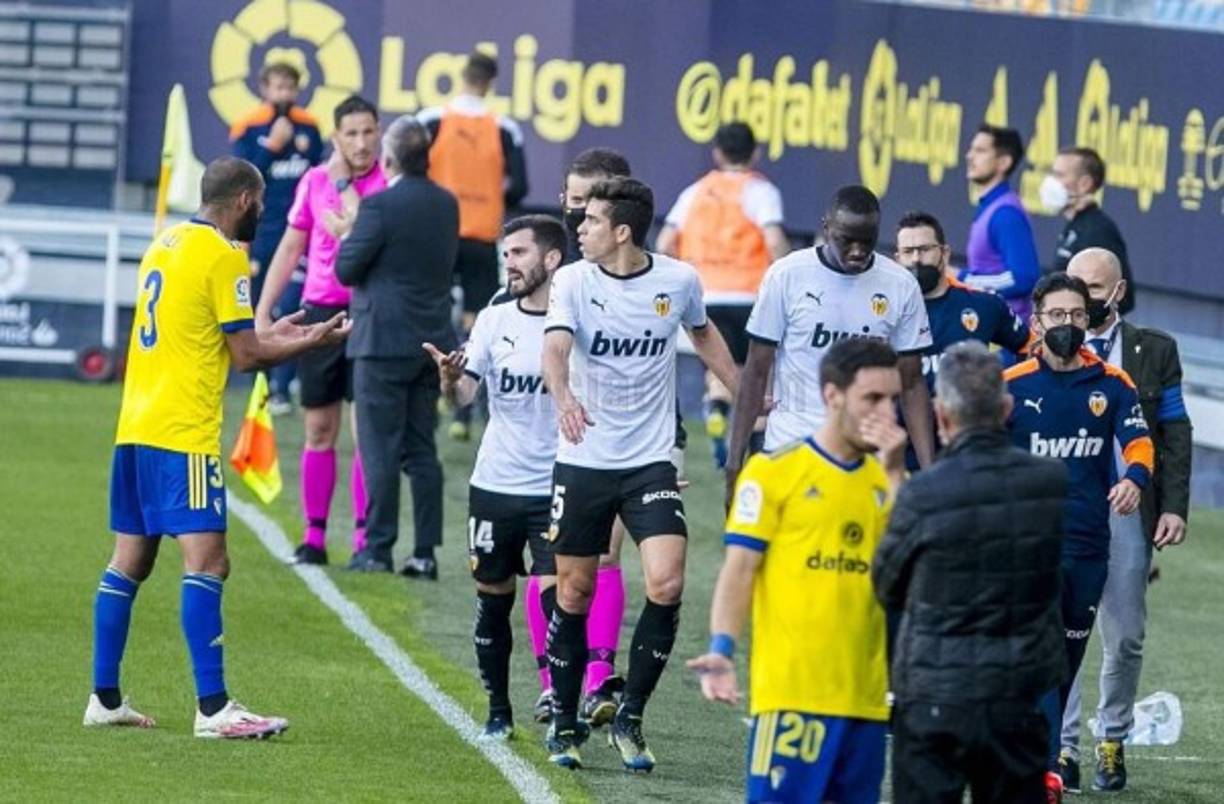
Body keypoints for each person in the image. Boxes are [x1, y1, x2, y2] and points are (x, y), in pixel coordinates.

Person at [85, 157, 350, 738]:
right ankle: (213, 709)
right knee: (210, 562)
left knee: (130, 561)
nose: (260, 213)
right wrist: (307, 344)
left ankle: (103, 698)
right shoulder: (226, 255)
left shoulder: (167, 242)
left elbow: (217, 336)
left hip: (136, 427)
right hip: (184, 435)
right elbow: (246, 357)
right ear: (244, 201)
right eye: (258, 204)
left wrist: (281, 334)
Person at [541, 177, 738, 771]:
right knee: (574, 591)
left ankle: (630, 718)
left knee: (667, 584)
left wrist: (750, 397)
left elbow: (705, 338)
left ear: (621, 232)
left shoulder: (678, 281)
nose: (580, 229)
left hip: (651, 458)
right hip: (583, 460)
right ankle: (565, 718)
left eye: (591, 221)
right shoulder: (573, 280)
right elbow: (554, 349)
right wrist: (564, 397)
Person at [689, 339, 908, 804]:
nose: (886, 413)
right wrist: (722, 650)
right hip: (792, 700)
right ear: (832, 396)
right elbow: (740, 569)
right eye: (872, 398)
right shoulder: (774, 473)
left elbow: (904, 578)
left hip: (867, 705)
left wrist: (894, 481)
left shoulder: (887, 482)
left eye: (893, 400)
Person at [873, 341, 1068, 804]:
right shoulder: (1050, 481)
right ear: (1006, 409)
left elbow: (886, 584)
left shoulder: (923, 493)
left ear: (941, 415)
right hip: (1017, 697)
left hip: (934, 696)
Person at [1003, 272, 1154, 784]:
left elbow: (1139, 442)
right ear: (1036, 320)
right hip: (1028, 546)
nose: (1066, 323)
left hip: (1089, 545)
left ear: (1086, 320)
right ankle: (1042, 768)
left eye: (1074, 315)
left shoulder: (1113, 384)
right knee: (1040, 652)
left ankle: (1046, 759)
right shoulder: (1011, 384)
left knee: (1067, 658)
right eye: (1056, 315)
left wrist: (1135, 478)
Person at [421, 215, 565, 740]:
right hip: (496, 484)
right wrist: (449, 379)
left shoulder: (575, 321)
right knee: (493, 598)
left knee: (562, 600)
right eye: (506, 254)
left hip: (557, 484)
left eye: (520, 253)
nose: (509, 263)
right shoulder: (493, 319)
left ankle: (561, 710)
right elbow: (464, 396)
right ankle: (498, 710)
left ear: (551, 260)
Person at [1059, 248, 1192, 792]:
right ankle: (1061, 746)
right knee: (1061, 630)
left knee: (1126, 635)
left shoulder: (1155, 351)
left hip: (1129, 511)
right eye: (1075, 286)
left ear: (1116, 291)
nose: (1081, 300)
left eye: (1092, 288)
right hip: (1066, 510)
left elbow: (1176, 434)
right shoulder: (1048, 348)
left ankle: (1110, 739)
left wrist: (1176, 506)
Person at [725, 185, 935, 507]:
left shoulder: (901, 285)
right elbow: (755, 371)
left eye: (867, 240)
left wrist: (929, 470)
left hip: (865, 458)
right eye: (846, 239)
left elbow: (911, 383)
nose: (857, 250)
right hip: (791, 449)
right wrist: (735, 461)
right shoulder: (787, 276)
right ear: (826, 228)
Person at [254, 95, 386, 568]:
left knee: (365, 431)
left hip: (371, 316)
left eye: (368, 131)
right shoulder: (313, 182)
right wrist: (264, 312)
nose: (361, 141)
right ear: (335, 138)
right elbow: (291, 249)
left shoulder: (389, 186)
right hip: (320, 315)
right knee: (318, 427)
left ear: (380, 133)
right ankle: (314, 536)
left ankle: (362, 540)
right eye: (350, 133)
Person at [335, 116, 459, 578]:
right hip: (430, 339)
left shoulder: (379, 206)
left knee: (379, 449)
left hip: (381, 341)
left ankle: (378, 548)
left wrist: (346, 232)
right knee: (421, 449)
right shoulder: (447, 204)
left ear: (388, 159)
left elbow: (347, 269)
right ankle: (424, 553)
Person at [656, 122, 789, 467]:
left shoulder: (696, 191)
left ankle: (717, 407)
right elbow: (773, 239)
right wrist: (789, 273)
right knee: (759, 377)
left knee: (720, 369)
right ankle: (755, 457)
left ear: (717, 152)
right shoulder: (760, 191)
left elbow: (664, 242)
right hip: (750, 297)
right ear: (755, 152)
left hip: (707, 295)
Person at [418, 51, 529, 441]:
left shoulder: (431, 120)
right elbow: (521, 187)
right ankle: (466, 413)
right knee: (476, 319)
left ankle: (432, 389)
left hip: (439, 232)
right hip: (482, 234)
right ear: (491, 83)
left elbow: (409, 168)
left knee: (436, 307)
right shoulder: (504, 127)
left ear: (461, 77)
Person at [894, 210, 1030, 462]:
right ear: (897, 258)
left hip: (974, 453)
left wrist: (1006, 389)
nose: (916, 260)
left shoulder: (984, 305)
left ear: (944, 253)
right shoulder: (885, 313)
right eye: (908, 252)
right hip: (904, 458)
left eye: (924, 250)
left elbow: (1031, 351)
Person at [228, 61, 324, 413]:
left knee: (295, 306)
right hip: (260, 232)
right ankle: (261, 385)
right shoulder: (249, 125)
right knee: (257, 309)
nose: (284, 93)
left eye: (290, 87)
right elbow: (241, 177)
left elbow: (317, 174)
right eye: (277, 86)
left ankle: (283, 388)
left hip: (299, 233)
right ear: (264, 88)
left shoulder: (310, 126)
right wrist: (272, 145)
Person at [1043, 146, 1136, 314]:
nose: (1050, 181)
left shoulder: (1098, 231)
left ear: (1084, 184)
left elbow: (1124, 298)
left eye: (1059, 175)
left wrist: (1085, 321)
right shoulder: (1074, 225)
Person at [962, 124, 1041, 320]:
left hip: (1007, 339)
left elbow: (1023, 278)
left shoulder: (1006, 213)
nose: (969, 156)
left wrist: (963, 280)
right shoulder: (990, 206)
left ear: (1004, 162)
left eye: (980, 150)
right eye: (971, 149)